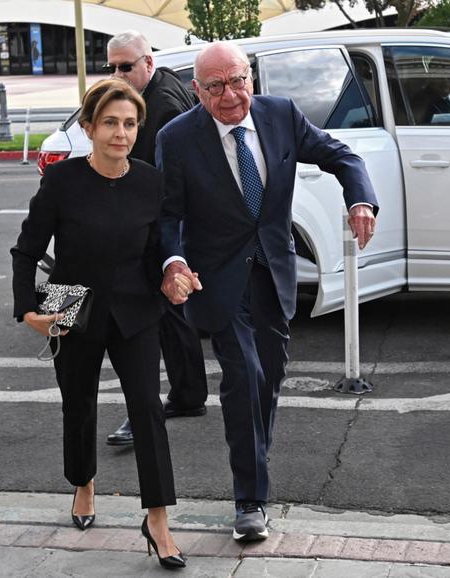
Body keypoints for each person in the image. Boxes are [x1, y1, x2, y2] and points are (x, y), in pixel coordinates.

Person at [155, 42, 378, 542]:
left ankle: (252, 454)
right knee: (244, 373)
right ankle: (249, 499)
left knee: (269, 375)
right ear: (197, 91)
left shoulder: (281, 115)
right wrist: (173, 262)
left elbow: (342, 155)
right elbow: (167, 215)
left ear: (251, 78)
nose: (230, 95)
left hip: (275, 269)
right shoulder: (177, 138)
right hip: (215, 278)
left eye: (238, 80)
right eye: (215, 87)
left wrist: (360, 199)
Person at [11, 78, 185, 568]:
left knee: (148, 410)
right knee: (79, 404)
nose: (120, 133)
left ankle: (157, 520)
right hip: (71, 306)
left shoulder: (151, 181)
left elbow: (160, 249)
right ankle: (83, 483)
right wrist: (29, 310)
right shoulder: (62, 181)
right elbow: (26, 252)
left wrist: (173, 274)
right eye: (110, 123)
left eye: (129, 124)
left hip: (136, 308)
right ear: (88, 127)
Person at [102, 30, 208, 447]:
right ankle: (185, 394)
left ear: (148, 62)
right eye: (111, 66)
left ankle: (153, 408)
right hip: (163, 223)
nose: (116, 74)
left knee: (152, 318)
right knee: (170, 313)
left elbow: (155, 176)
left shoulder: (160, 104)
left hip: (159, 223)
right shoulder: (162, 89)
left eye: (125, 66)